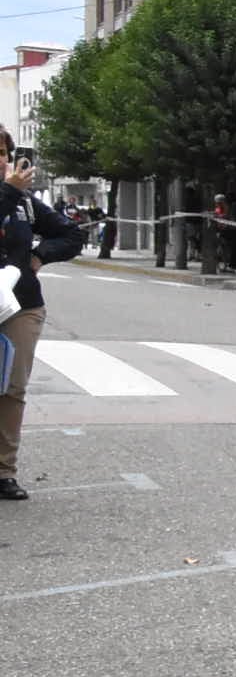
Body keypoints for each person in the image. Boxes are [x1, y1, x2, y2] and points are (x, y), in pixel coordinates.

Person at [0, 136, 87, 502]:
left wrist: (38, 257)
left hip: (20, 304)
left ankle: (4, 471)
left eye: (2, 152)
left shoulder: (25, 203)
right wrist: (6, 191)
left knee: (11, 387)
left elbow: (71, 234)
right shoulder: (11, 195)